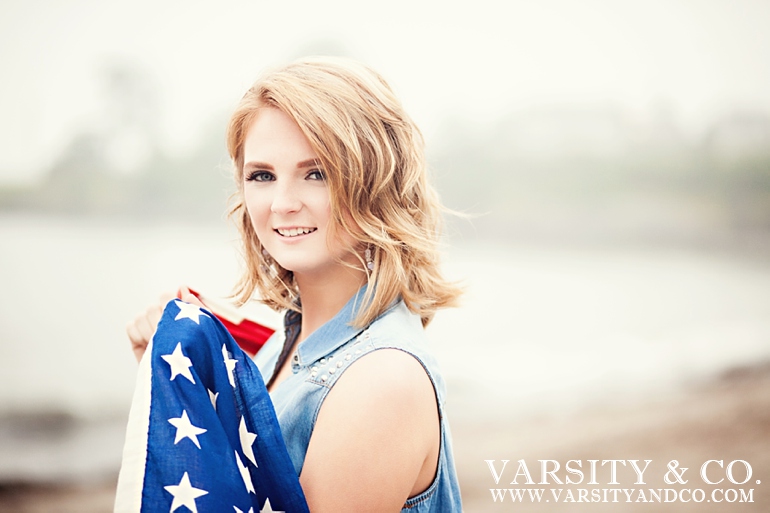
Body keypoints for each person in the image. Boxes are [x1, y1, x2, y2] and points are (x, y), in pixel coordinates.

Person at [127, 56, 463, 512]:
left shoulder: (382, 382)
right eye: (262, 175)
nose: (282, 203)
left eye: (316, 173)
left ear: (377, 184)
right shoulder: (285, 345)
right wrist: (182, 366)